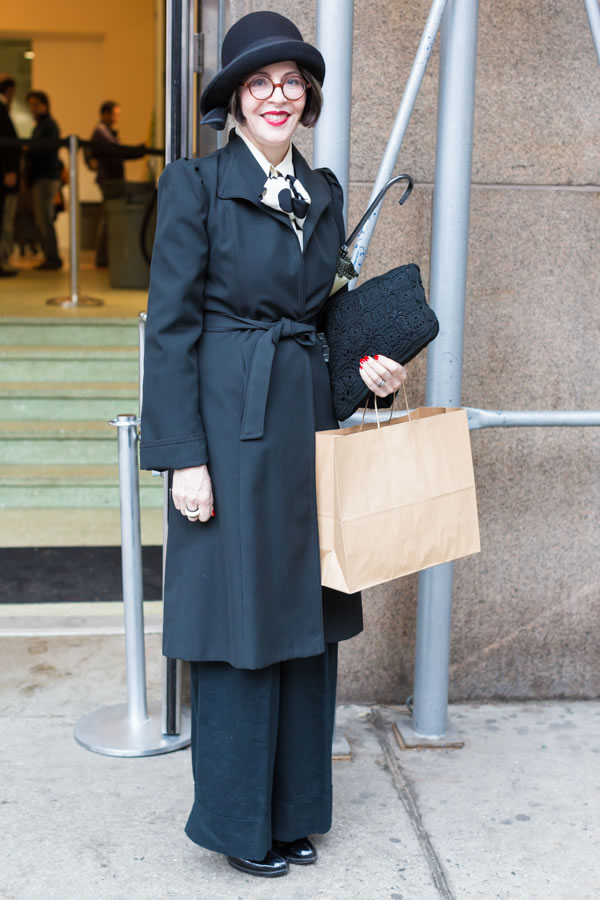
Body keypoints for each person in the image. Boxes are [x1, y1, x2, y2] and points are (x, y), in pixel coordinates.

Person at [140, 11, 407, 879]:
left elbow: (324, 319)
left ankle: (293, 813)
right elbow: (170, 332)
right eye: (260, 83)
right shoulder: (195, 187)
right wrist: (184, 456)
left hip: (305, 433)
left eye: (291, 81)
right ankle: (236, 823)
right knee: (237, 628)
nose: (278, 96)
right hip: (227, 432)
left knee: (304, 625)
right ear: (234, 100)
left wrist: (369, 372)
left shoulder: (322, 192)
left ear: (307, 94)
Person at [87, 100, 145, 267]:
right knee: (108, 218)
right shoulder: (101, 133)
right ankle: (102, 257)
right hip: (109, 180)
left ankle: (104, 257)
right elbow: (116, 151)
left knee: (108, 217)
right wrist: (139, 151)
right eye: (114, 114)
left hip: (110, 179)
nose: (116, 117)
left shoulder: (106, 132)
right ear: (105, 114)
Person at [25, 90, 62, 270]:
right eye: (30, 105)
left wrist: (28, 149)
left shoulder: (49, 126)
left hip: (46, 178)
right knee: (42, 219)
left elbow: (45, 151)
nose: (32, 109)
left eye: (35, 104)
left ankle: (53, 258)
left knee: (44, 219)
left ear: (44, 105)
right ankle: (50, 256)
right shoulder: (40, 126)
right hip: (41, 178)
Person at [0, 75, 20, 277]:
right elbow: (7, 144)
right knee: (5, 220)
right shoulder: (2, 110)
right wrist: (10, 171)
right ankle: (2, 261)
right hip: (5, 178)